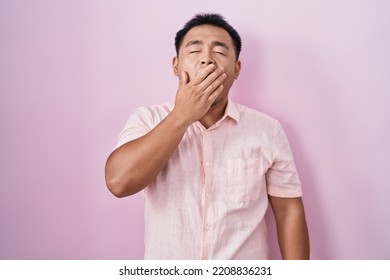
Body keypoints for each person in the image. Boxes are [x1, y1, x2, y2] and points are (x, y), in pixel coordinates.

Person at [105, 13, 309, 260]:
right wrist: (182, 115)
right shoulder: (147, 119)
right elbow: (118, 182)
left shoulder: (267, 130)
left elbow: (288, 211)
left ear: (236, 69)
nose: (207, 60)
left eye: (220, 52)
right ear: (175, 65)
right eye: (194, 51)